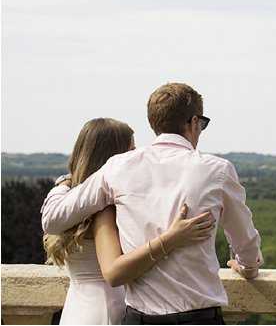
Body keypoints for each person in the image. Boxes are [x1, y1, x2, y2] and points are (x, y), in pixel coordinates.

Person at [41, 83, 263, 325]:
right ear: (194, 122)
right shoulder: (217, 170)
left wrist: (65, 181)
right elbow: (245, 240)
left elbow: (53, 221)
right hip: (199, 317)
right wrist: (247, 266)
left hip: (138, 318)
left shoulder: (118, 167)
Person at [43, 118, 216, 324]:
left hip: (76, 310)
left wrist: (63, 182)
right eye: (131, 150)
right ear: (112, 156)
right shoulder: (104, 210)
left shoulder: (70, 197)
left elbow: (51, 217)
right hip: (107, 311)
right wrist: (172, 238)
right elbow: (114, 272)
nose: (135, 156)